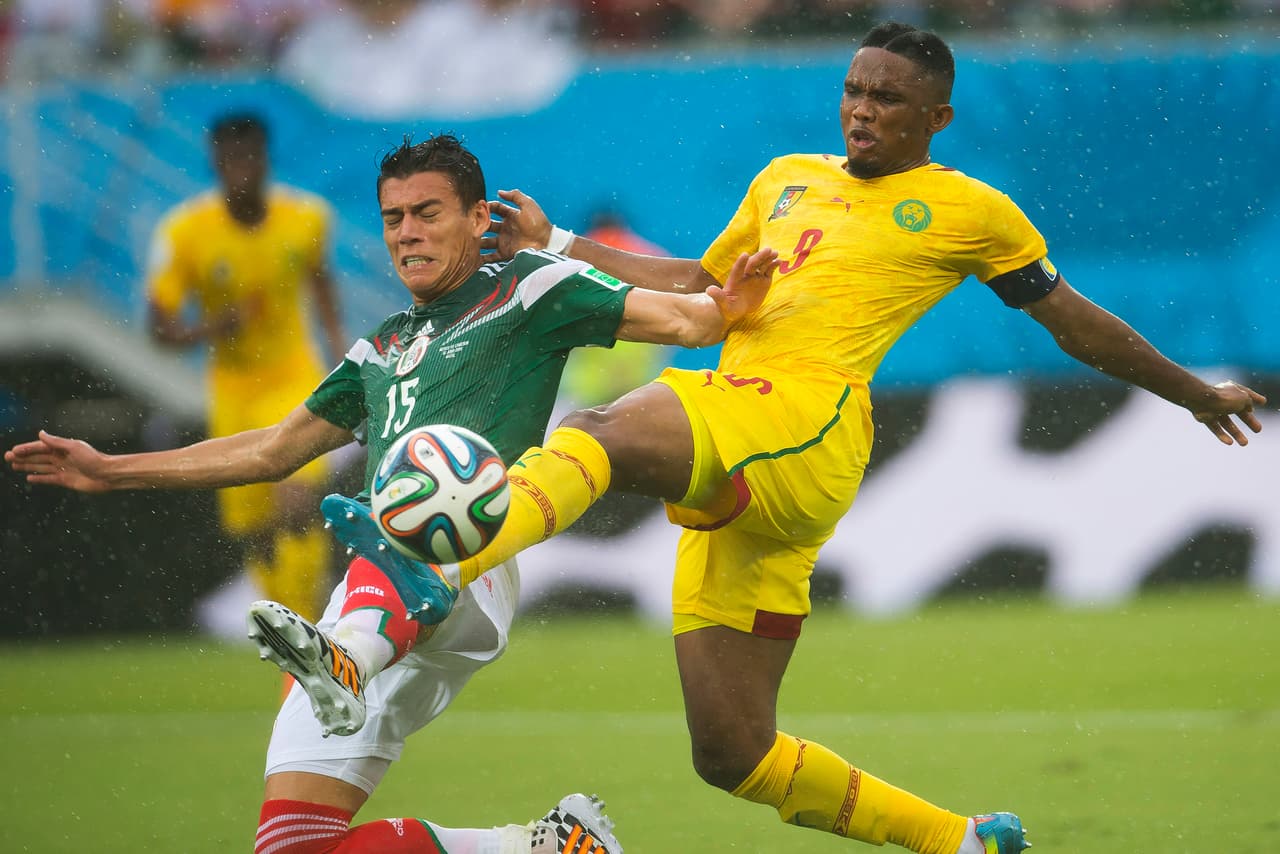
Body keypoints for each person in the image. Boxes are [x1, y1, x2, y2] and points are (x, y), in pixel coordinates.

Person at [316, 22, 1268, 854]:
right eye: (854, 91)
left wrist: (1187, 391)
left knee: (598, 431)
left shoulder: (971, 211)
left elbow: (1072, 321)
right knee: (732, 752)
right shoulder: (786, 180)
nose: (862, 110)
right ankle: (962, 840)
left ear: (935, 117)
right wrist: (558, 242)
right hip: (747, 446)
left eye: (888, 99)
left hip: (803, 425)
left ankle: (435, 569)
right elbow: (700, 283)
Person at [7, 133, 774, 853]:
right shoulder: (381, 346)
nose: (406, 232)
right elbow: (273, 449)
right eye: (393, 218)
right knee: (292, 844)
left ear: (479, 220)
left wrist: (721, 308)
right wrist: (111, 470)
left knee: (412, 498)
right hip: (371, 593)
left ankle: (350, 656)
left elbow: (686, 319)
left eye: (427, 213)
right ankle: (538, 844)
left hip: (465, 557)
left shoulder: (529, 286)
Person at [146, 111, 345, 623]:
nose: (239, 169)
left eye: (248, 157)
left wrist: (343, 350)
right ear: (214, 163)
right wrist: (210, 329)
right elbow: (159, 328)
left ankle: (311, 621)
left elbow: (321, 281)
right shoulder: (185, 233)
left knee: (296, 499)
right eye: (228, 159)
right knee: (257, 532)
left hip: (293, 376)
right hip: (233, 390)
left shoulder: (306, 218)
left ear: (265, 160)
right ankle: (286, 621)